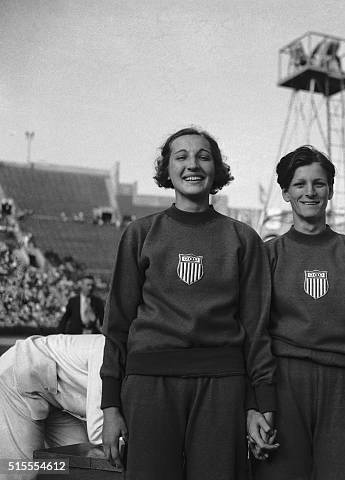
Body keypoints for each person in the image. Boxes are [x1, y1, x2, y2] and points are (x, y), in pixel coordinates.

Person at [100, 127, 276, 480]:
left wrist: (261, 404)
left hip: (221, 386)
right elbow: (117, 324)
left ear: (217, 170)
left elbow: (257, 329)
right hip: (149, 385)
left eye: (203, 156)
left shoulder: (243, 238)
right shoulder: (140, 233)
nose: (192, 164)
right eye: (181, 156)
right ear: (167, 170)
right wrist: (110, 406)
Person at [249, 145, 345, 480]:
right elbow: (255, 335)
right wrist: (256, 402)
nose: (310, 192)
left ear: (330, 190)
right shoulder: (268, 256)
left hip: (343, 385)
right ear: (285, 193)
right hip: (284, 383)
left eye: (318, 183)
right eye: (299, 184)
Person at [0, 334, 104, 461]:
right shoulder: (107, 353)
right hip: (17, 375)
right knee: (23, 469)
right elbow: (100, 433)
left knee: (77, 463)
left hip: (55, 398)